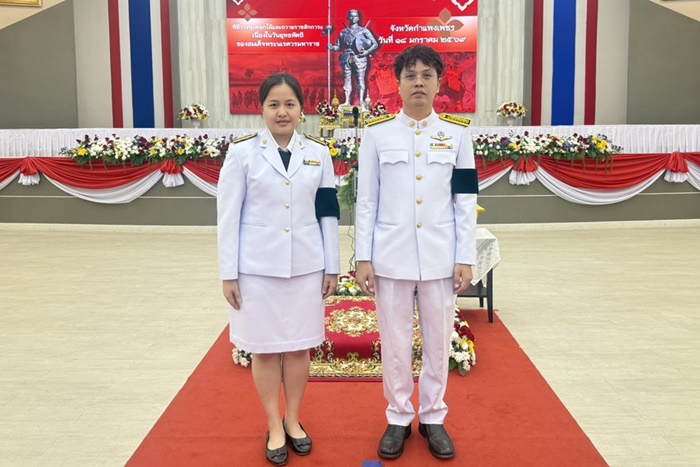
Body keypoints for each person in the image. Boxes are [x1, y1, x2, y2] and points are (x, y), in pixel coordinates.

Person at [355, 45, 478, 460]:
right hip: (390, 256)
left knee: (439, 341)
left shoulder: (458, 135)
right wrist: (363, 257)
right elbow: (366, 200)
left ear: (439, 83)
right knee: (395, 341)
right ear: (398, 84)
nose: (419, 82)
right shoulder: (377, 135)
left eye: (427, 75)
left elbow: (465, 200)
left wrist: (465, 256)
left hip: (441, 256)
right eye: (410, 75)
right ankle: (398, 416)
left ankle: (433, 416)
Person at [217, 73, 340, 466]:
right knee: (266, 349)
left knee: (300, 346)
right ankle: (273, 424)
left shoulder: (318, 153)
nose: (282, 112)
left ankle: (293, 419)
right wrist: (228, 273)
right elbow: (228, 217)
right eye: (274, 104)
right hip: (257, 269)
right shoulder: (242, 154)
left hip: (306, 266)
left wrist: (333, 266)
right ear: (262, 109)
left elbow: (328, 212)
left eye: (290, 104)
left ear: (302, 109)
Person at [327, 9, 379, 106]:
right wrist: (332, 48)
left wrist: (366, 52)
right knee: (347, 79)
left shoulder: (364, 31)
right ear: (347, 18)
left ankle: (361, 101)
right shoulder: (343, 32)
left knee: (360, 79)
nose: (353, 18)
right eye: (351, 16)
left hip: (359, 58)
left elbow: (374, 44)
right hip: (346, 57)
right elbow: (338, 46)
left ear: (358, 18)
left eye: (355, 16)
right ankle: (347, 101)